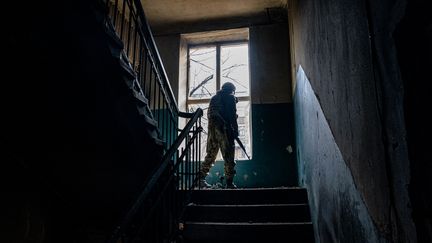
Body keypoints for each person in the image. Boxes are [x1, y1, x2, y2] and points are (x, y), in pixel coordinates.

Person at [199, 82, 239, 189]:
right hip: (224, 130)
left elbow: (210, 115)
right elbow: (232, 116)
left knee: (211, 155)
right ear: (231, 90)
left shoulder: (214, 98)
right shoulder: (230, 98)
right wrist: (236, 131)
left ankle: (200, 179)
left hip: (212, 130)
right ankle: (229, 183)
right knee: (229, 156)